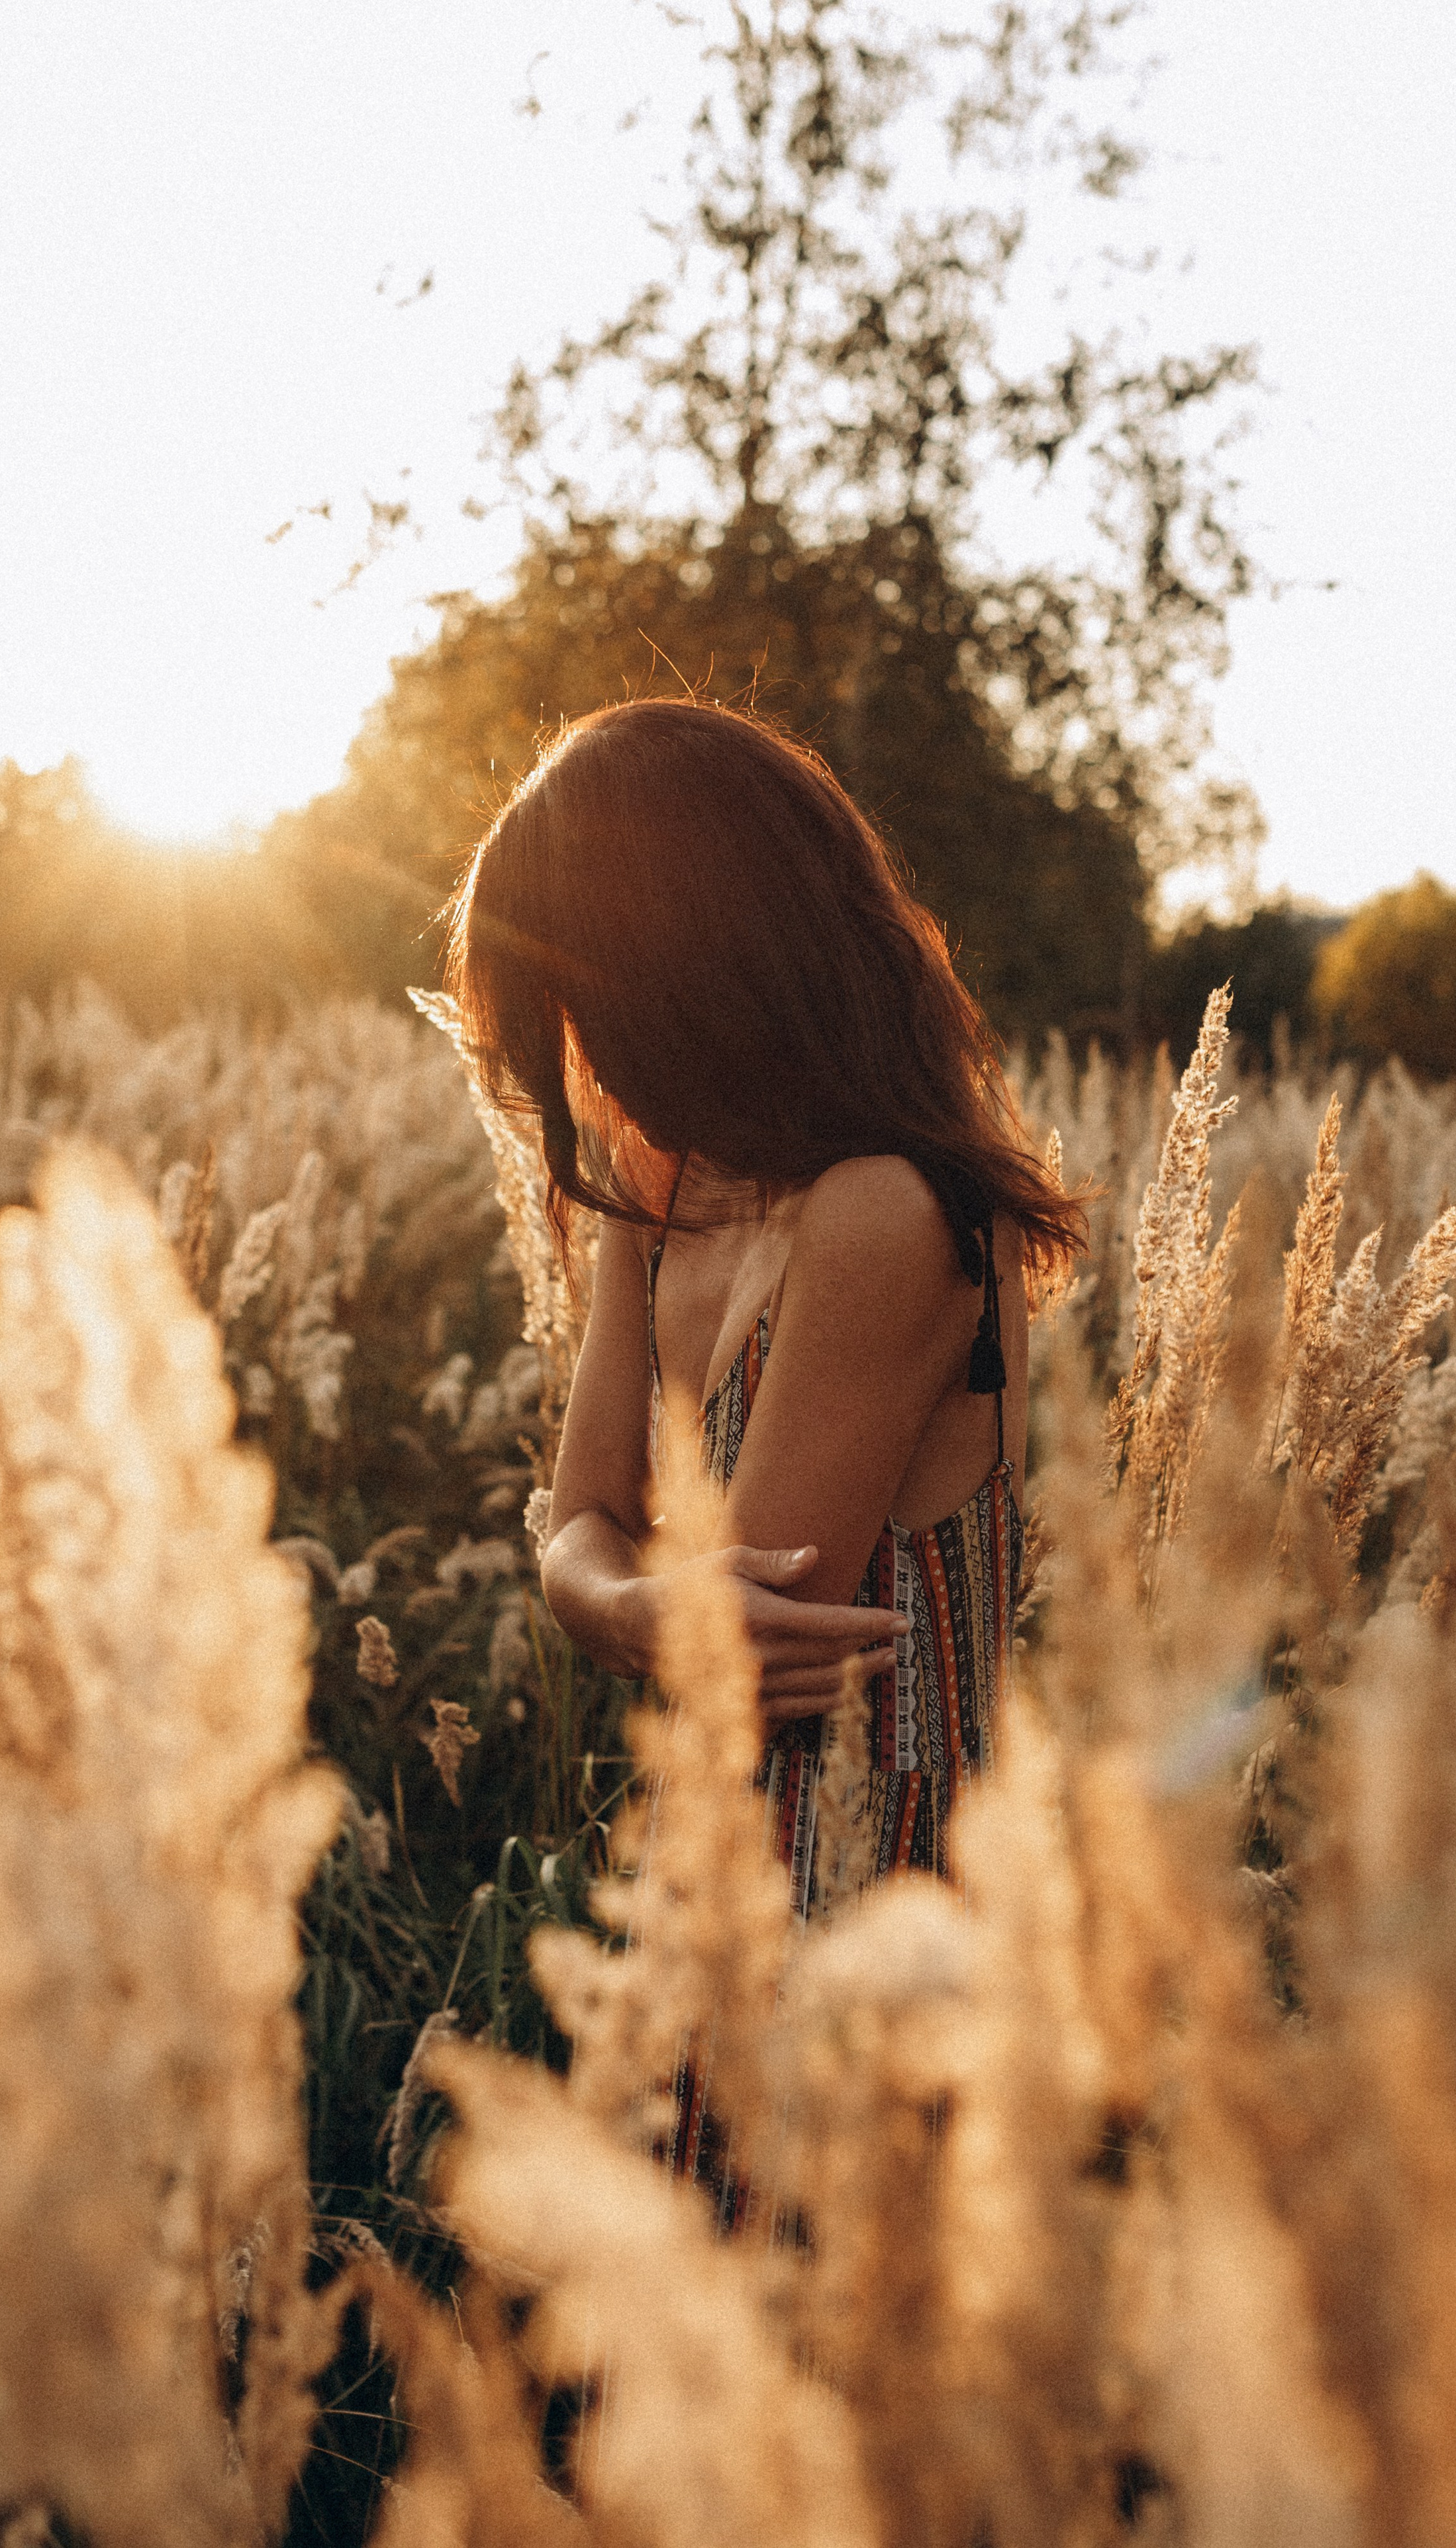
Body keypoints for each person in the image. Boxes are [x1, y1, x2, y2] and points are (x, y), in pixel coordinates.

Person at [446, 698, 1083, 2210]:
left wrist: (626, 1605)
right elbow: (579, 1525)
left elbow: (745, 1630)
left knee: (793, 2383)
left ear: (687, 967)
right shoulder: (656, 1197)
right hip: (722, 1858)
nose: (578, 1064)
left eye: (578, 1004)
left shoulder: (886, 1211)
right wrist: (614, 1604)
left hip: (871, 1881)